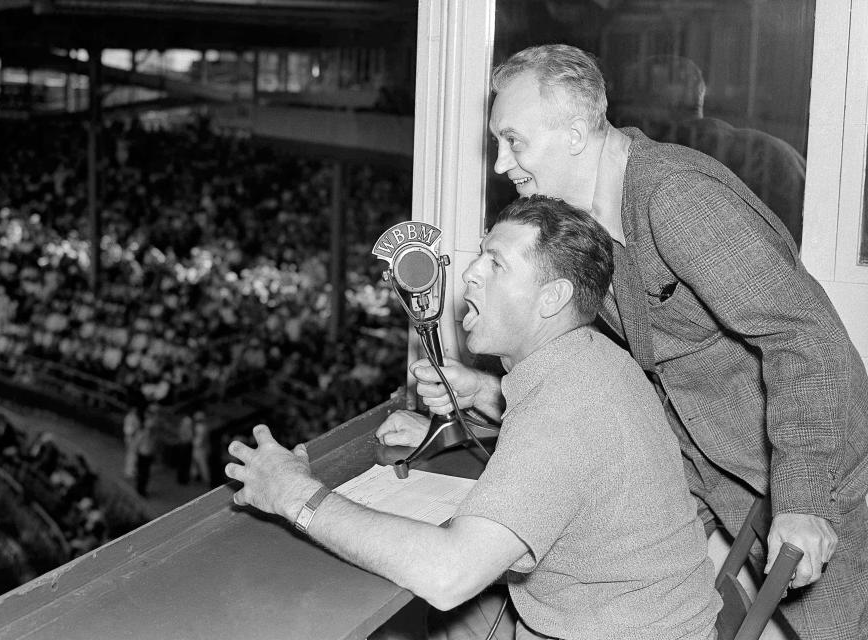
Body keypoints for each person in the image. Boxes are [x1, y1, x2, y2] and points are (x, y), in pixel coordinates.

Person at [401, 44, 867, 640]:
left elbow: (802, 335)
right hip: (727, 473)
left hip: (823, 469)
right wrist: (491, 400)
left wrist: (803, 497)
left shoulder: (675, 199)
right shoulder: (595, 221)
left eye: (513, 140)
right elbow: (621, 383)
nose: (500, 164)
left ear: (575, 132)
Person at [226, 196, 721, 640]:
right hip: (633, 612)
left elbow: (448, 575)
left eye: (496, 263)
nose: (469, 274)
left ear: (553, 299)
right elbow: (571, 464)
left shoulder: (565, 407)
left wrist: (295, 495)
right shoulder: (592, 359)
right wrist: (478, 398)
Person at [610, 54, 806, 246]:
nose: (626, 116)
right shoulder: (774, 150)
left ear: (662, 104)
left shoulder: (673, 161)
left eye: (634, 102)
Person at [190, 410, 210, 486]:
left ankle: (207, 481)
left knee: (203, 466)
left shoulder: (201, 427)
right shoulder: (201, 426)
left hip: (201, 449)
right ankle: (196, 479)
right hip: (198, 449)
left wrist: (194, 442)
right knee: (195, 465)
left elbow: (199, 441)